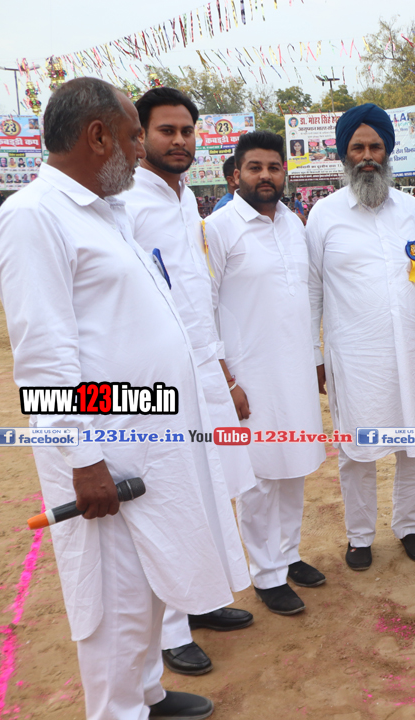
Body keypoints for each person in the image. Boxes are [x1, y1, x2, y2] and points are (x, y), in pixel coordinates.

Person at [0, 77, 243, 720]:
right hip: (104, 448)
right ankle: (117, 709)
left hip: (151, 435)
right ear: (98, 135)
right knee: (114, 596)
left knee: (152, 579)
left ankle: (146, 693)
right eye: (134, 136)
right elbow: (44, 356)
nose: (139, 150)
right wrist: (83, 459)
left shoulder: (109, 211)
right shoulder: (33, 216)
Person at [122, 87, 256, 677]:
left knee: (211, 487)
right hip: (159, 379)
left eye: (186, 131)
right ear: (140, 137)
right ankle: (171, 630)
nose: (179, 141)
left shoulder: (184, 201)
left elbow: (197, 297)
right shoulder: (128, 203)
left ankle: (200, 602)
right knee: (172, 496)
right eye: (166, 131)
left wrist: (222, 370)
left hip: (204, 368)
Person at [307, 105, 415, 571]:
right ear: (344, 154)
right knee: (357, 451)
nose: (367, 156)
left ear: (388, 152)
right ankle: (359, 536)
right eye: (357, 147)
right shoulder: (323, 215)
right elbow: (312, 289)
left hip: (413, 351)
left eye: (375, 147)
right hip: (355, 356)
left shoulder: (413, 210)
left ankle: (409, 526)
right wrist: (315, 355)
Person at [205, 131, 326, 615]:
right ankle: (266, 574)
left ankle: (288, 554)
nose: (265, 176)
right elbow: (203, 308)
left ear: (284, 173)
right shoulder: (218, 228)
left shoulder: (294, 223)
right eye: (255, 167)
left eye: (274, 167)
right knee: (258, 477)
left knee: (293, 466)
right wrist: (227, 380)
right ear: (237, 174)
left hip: (293, 370)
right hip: (248, 377)